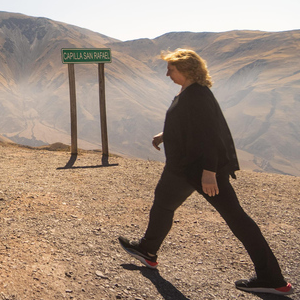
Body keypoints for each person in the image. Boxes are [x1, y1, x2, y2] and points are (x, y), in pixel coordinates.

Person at [118, 48, 293, 296]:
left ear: (186, 70)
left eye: (171, 69)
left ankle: (272, 279)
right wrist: (166, 135)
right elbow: (191, 124)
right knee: (163, 204)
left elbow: (211, 135)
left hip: (200, 170)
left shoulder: (198, 95)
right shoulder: (189, 91)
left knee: (237, 219)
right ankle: (147, 249)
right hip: (183, 168)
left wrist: (209, 172)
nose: (167, 74)